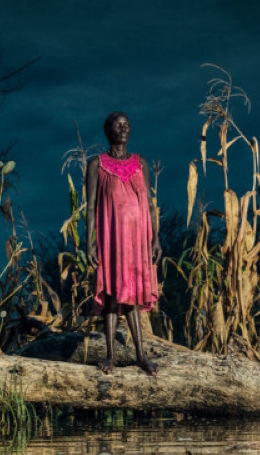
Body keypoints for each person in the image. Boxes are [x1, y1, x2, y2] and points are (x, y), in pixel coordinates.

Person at [86, 111, 162, 376]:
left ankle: (141, 356)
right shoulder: (97, 164)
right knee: (111, 295)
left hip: (138, 240)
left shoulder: (140, 162)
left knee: (132, 296)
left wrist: (155, 240)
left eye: (127, 125)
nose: (124, 129)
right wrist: (90, 244)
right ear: (108, 131)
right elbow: (91, 207)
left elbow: (150, 206)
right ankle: (110, 357)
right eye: (118, 125)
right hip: (111, 238)